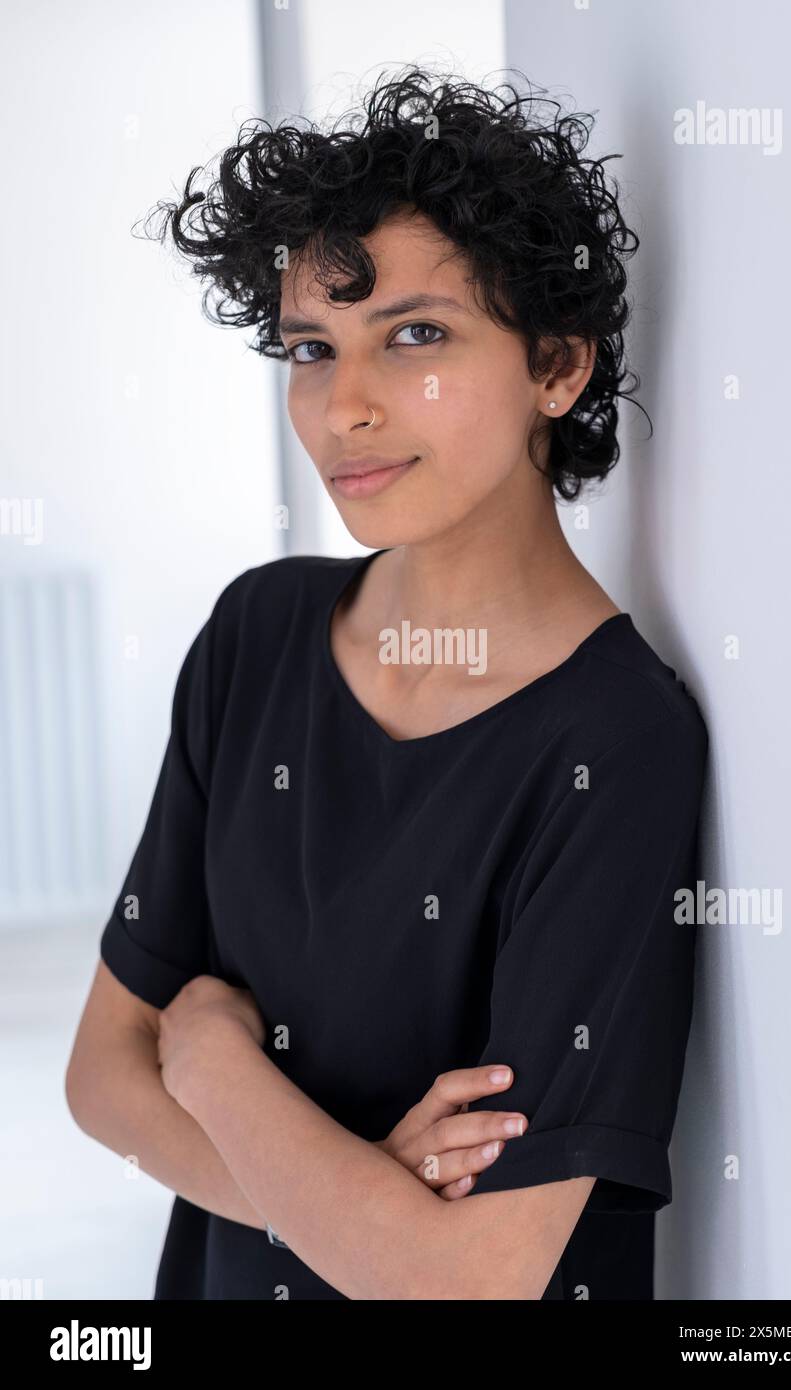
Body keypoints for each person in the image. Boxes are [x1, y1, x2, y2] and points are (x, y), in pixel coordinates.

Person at [66, 66, 709, 1300]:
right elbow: (100, 1074)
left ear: (558, 366)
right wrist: (357, 1191)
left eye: (414, 334)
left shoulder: (616, 742)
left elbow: (458, 1283)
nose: (343, 406)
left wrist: (206, 1055)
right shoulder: (258, 631)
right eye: (312, 347)